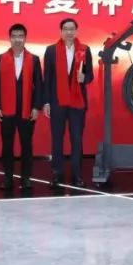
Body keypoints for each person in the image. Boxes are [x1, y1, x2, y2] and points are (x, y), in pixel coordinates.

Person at [0, 23, 44, 193]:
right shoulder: (0, 59)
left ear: (25, 38)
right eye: (14, 36)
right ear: (10, 38)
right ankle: (7, 178)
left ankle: (26, 178)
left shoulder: (33, 59)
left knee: (26, 145)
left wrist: (36, 107)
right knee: (7, 146)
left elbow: (39, 85)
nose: (17, 39)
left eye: (20, 36)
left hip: (27, 110)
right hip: (6, 111)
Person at [43, 18, 94, 188]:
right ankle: (57, 174)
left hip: (77, 102)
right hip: (57, 101)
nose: (69, 32)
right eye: (65, 29)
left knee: (77, 139)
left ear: (76, 31)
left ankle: (77, 175)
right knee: (57, 139)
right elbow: (47, 79)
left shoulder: (84, 50)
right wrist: (46, 102)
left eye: (72, 29)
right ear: (61, 31)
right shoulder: (51, 51)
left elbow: (90, 75)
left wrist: (84, 77)